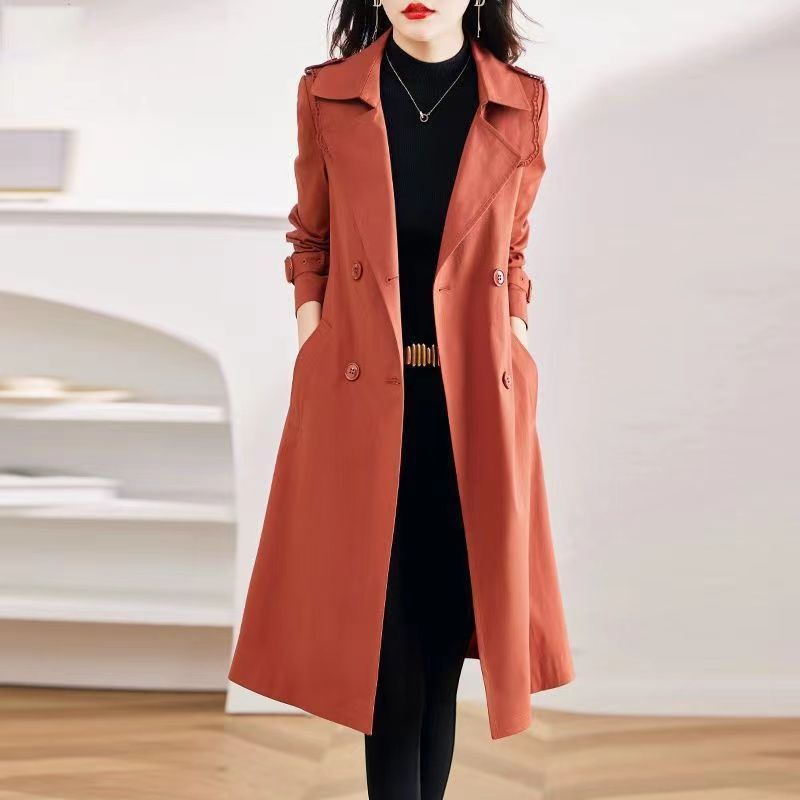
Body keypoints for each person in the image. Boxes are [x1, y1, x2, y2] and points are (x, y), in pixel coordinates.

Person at [229, 2, 574, 798]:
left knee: (440, 646)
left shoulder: (521, 101)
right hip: (362, 403)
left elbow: (513, 244)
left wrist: (516, 330)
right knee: (383, 648)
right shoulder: (329, 94)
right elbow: (311, 237)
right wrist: (315, 335)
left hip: (472, 409)